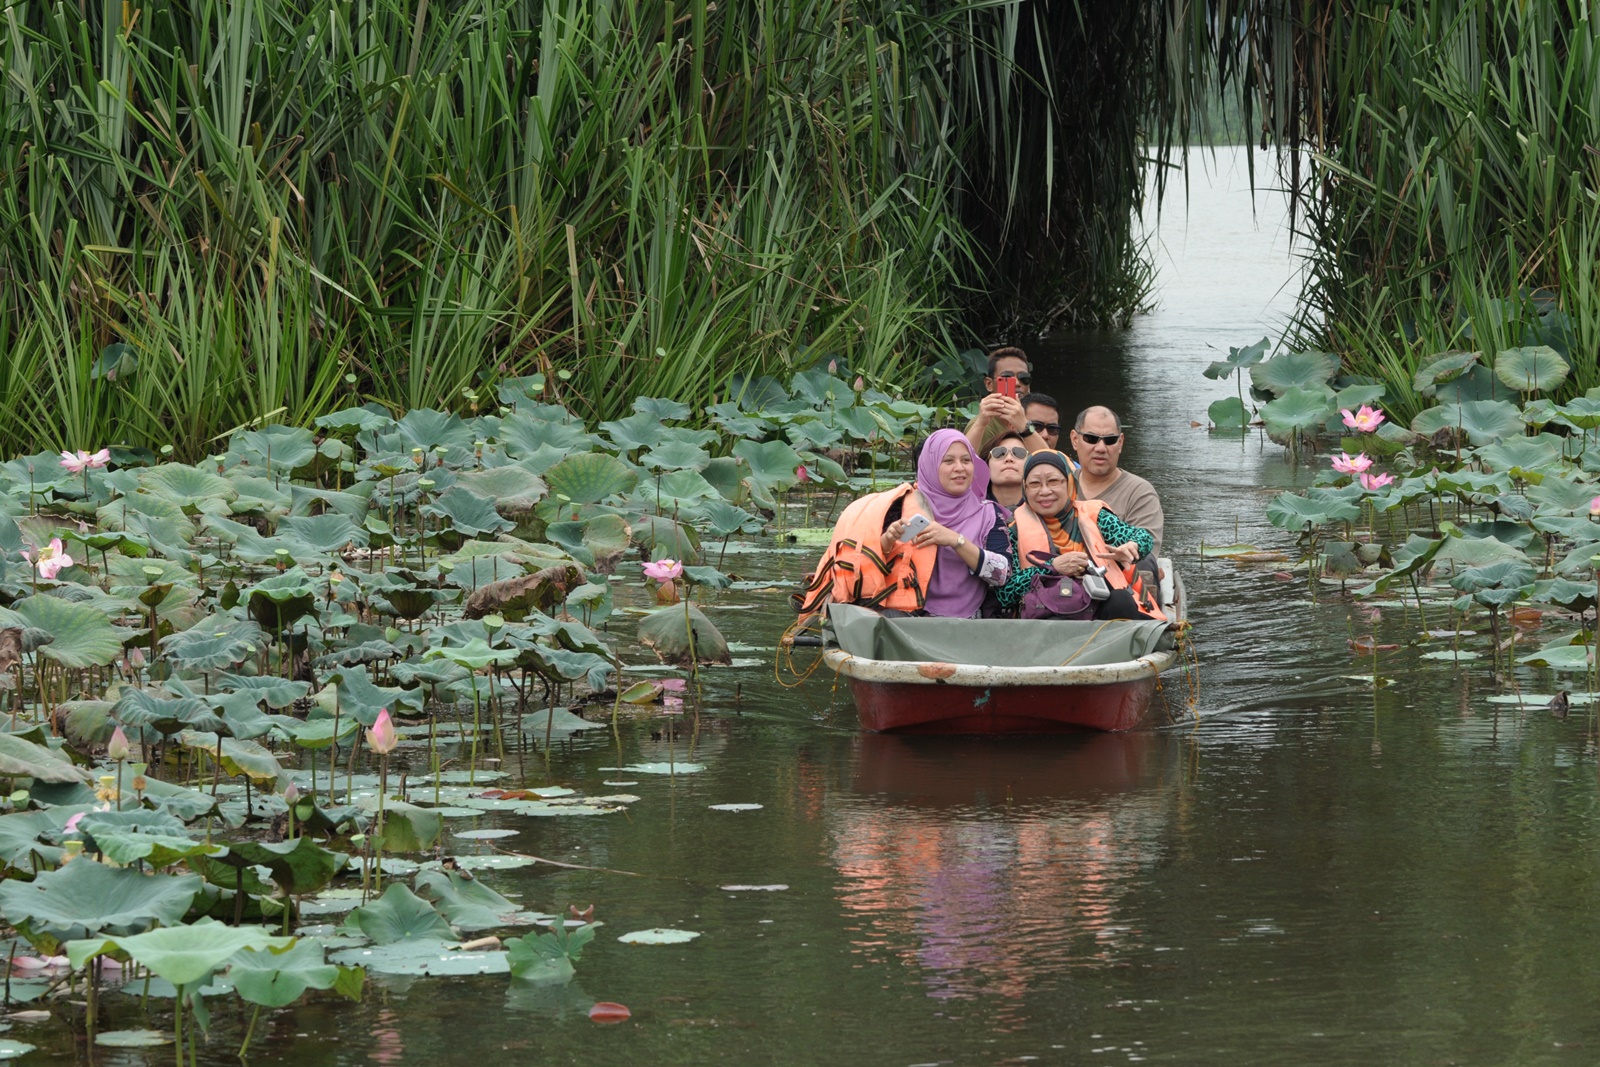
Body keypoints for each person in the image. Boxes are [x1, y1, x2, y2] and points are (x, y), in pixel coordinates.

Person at [795, 429, 1010, 619]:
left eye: (966, 460)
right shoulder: (903, 503)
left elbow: (1002, 575)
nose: (959, 468)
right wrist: (887, 539)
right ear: (930, 465)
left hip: (965, 621)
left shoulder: (988, 513)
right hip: (904, 616)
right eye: (948, 461)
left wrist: (955, 541)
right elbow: (870, 566)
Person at [995, 451, 1163, 621]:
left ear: (1069, 483)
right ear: (1025, 488)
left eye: (1053, 481)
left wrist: (1132, 546)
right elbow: (1004, 593)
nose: (1044, 491)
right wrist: (1052, 567)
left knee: (1121, 601)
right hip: (1044, 615)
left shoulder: (1094, 516)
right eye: (1035, 484)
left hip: (1098, 610)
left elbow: (1143, 537)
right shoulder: (1013, 528)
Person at [1069, 405, 1165, 557]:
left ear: (1120, 443)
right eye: (1091, 439)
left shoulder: (1140, 492)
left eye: (1110, 440)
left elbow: (1147, 558)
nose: (1100, 448)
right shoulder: (1057, 485)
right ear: (1075, 440)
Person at [964, 347, 1051, 457]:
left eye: (1024, 378)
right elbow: (966, 464)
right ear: (989, 384)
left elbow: (1049, 461)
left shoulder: (1032, 420)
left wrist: (1023, 426)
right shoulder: (983, 425)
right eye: (1007, 378)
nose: (1017, 383)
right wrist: (980, 425)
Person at [985, 430, 1027, 511]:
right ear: (986, 464)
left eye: (1019, 453)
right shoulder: (973, 507)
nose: (1009, 459)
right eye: (999, 453)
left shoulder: (1041, 508)